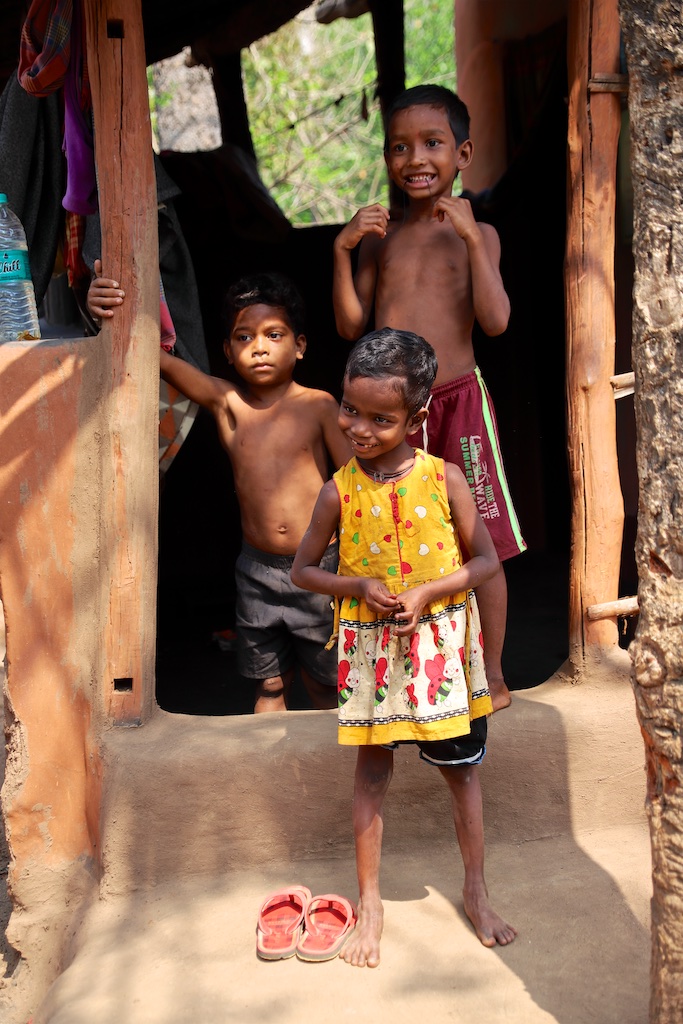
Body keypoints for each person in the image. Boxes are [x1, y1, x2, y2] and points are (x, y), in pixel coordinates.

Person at [292, 328, 517, 968]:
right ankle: (371, 905)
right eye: (350, 409)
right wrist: (357, 585)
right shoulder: (337, 490)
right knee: (371, 774)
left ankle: (476, 891)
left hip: (440, 652)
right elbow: (302, 572)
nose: (358, 428)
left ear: (417, 419)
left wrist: (430, 590)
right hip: (373, 657)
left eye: (380, 419)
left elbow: (486, 561)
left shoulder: (446, 480)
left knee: (462, 771)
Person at [332, 84, 525, 712]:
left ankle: (492, 674)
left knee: (481, 539)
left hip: (460, 402)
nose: (415, 158)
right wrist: (342, 249)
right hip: (392, 416)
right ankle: (408, 676)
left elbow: (496, 321)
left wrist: (471, 238)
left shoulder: (480, 233)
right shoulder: (380, 239)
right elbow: (349, 324)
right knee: (395, 533)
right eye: (400, 147)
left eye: (432, 143)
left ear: (462, 153)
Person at [90, 268, 351, 712]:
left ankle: (336, 757)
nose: (259, 347)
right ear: (228, 352)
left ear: (300, 345)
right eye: (244, 338)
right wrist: (109, 307)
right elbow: (157, 358)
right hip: (257, 572)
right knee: (270, 685)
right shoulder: (229, 403)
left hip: (320, 567)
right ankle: (269, 756)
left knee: (324, 684)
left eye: (274, 334)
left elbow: (355, 486)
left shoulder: (319, 405)